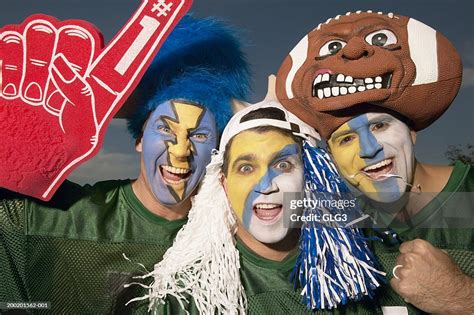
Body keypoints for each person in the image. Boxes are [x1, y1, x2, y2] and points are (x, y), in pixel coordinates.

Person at [0, 15, 251, 313]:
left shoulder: (233, 245)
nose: (180, 152)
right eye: (165, 129)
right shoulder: (57, 217)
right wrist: (16, 151)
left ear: (215, 150)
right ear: (139, 139)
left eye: (198, 135)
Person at [276, 10, 473, 314]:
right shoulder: (339, 224)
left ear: (412, 132)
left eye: (379, 126)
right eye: (346, 140)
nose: (368, 150)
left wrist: (459, 296)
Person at [137, 77, 384, 314]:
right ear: (223, 184)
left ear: (311, 176)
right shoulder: (187, 294)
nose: (266, 186)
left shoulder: (371, 264)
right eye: (246, 168)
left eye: (283, 165)